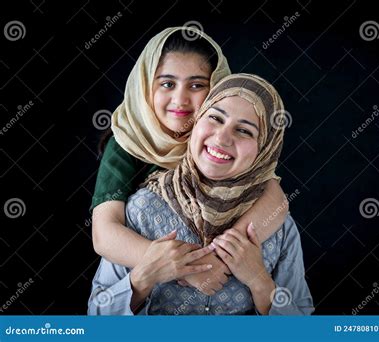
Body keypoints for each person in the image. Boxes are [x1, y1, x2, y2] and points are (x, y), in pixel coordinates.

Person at [88, 74, 314, 315]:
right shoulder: (141, 210)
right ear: (195, 122)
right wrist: (144, 277)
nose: (222, 137)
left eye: (244, 131)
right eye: (215, 118)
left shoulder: (277, 226)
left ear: (266, 150)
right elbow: (96, 318)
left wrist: (260, 281)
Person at [91, 27, 289, 294]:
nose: (180, 99)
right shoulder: (128, 143)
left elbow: (274, 196)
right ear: (145, 84)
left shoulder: (217, 140)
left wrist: (224, 256)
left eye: (196, 85)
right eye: (167, 84)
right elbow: (104, 235)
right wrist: (183, 265)